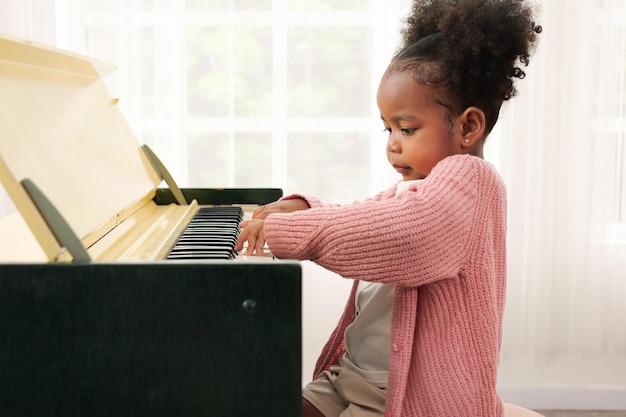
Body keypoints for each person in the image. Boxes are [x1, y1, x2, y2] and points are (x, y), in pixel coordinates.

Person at [235, 0, 541, 415]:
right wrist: (302, 209)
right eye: (388, 128)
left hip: (413, 399)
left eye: (407, 128)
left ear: (469, 126)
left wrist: (293, 233)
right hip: (353, 379)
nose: (392, 143)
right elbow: (365, 214)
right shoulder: (417, 188)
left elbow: (405, 235)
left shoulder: (471, 180)